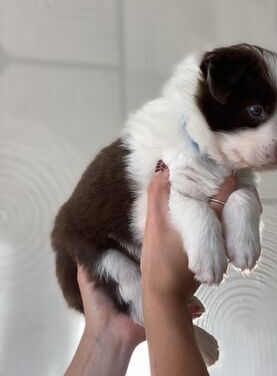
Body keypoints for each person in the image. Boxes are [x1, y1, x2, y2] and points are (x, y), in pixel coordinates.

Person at [65, 161, 237, 376]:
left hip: (110, 257)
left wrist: (111, 327)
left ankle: (134, 314)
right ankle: (140, 312)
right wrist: (164, 297)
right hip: (101, 252)